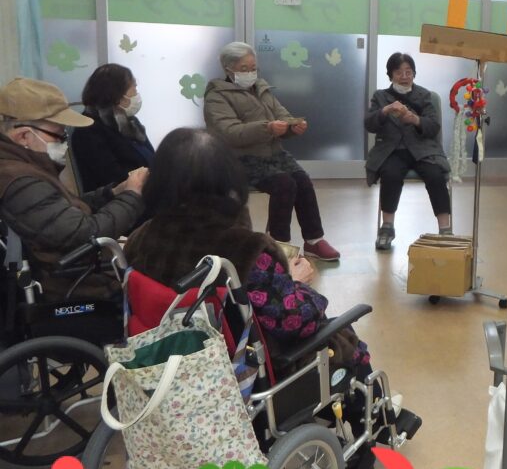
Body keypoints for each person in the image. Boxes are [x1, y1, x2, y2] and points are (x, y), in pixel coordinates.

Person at [124, 128, 362, 371]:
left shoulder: (140, 238)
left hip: (167, 364)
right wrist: (295, 282)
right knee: (348, 341)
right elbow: (296, 323)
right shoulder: (247, 252)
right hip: (245, 370)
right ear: (229, 178)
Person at [0, 77, 147, 300]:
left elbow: (62, 211)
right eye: (59, 135)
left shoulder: (26, 169)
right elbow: (84, 234)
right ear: (24, 136)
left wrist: (113, 193)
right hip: (77, 288)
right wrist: (132, 196)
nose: (64, 142)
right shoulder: (20, 181)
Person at [204, 41, 339, 261]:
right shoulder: (217, 96)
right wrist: (267, 128)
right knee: (284, 185)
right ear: (228, 69)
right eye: (244, 69)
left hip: (274, 153)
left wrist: (292, 126)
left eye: (253, 68)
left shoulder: (261, 88)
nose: (250, 73)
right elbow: (229, 132)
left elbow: (281, 114)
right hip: (240, 159)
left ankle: (314, 240)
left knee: (302, 181)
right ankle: (277, 246)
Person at [365, 53, 451, 251]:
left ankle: (445, 229)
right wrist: (385, 111)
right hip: (392, 149)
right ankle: (387, 228)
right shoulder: (380, 96)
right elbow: (369, 124)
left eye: (408, 72)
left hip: (422, 150)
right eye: (398, 72)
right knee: (390, 174)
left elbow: (433, 127)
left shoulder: (424, 95)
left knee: (435, 175)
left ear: (414, 73)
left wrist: (415, 119)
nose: (404, 76)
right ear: (390, 75)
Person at [71, 63, 155, 192]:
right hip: (120, 199)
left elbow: (152, 159)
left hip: (147, 191)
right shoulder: (88, 130)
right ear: (117, 94)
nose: (136, 93)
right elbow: (111, 178)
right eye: (133, 87)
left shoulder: (131, 121)